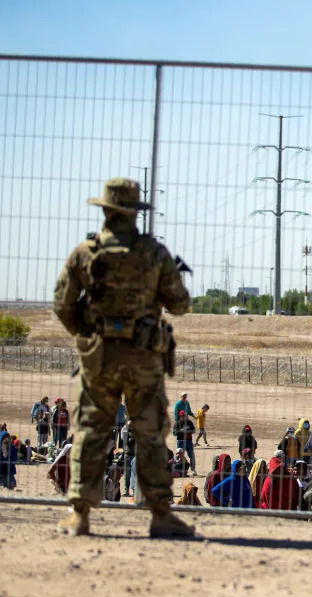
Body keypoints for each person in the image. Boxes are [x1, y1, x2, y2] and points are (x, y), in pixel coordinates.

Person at [51, 178, 195, 537]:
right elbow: (180, 304)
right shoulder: (154, 253)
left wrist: (87, 335)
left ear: (105, 210)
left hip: (99, 357)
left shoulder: (86, 252)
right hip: (143, 357)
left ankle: (80, 513)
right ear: (135, 213)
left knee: (91, 431)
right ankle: (160, 513)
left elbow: (62, 304)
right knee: (149, 434)